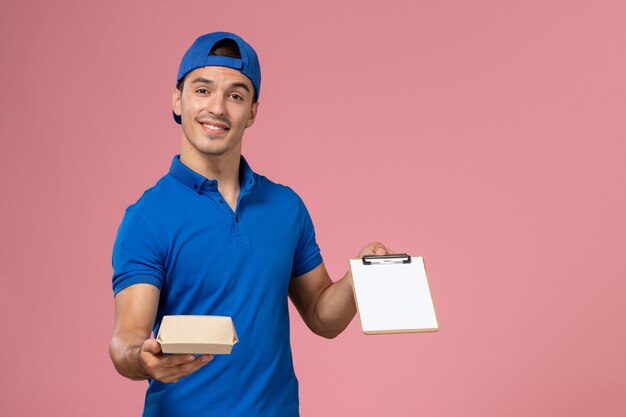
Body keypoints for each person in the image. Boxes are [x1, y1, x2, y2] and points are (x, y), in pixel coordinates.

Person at [109, 31, 391, 417]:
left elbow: (323, 316)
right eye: (203, 90)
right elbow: (127, 336)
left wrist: (358, 278)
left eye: (236, 95)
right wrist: (141, 358)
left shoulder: (285, 206)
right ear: (178, 99)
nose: (218, 108)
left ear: (253, 111)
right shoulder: (147, 218)